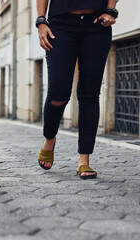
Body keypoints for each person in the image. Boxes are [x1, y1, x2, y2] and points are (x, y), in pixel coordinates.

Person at [36, 0, 118, 179]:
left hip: (97, 25)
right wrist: (41, 21)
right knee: (58, 94)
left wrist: (111, 9)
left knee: (89, 94)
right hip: (60, 25)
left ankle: (84, 160)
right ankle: (49, 138)